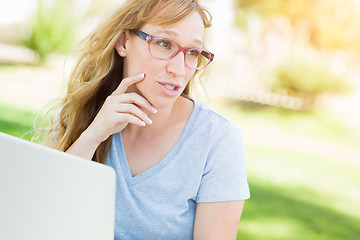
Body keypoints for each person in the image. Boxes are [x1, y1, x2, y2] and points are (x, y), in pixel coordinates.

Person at [43, 0, 250, 239]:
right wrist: (92, 136)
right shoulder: (83, 113)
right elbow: (41, 216)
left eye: (192, 53)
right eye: (164, 44)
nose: (179, 69)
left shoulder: (217, 140)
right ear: (123, 42)